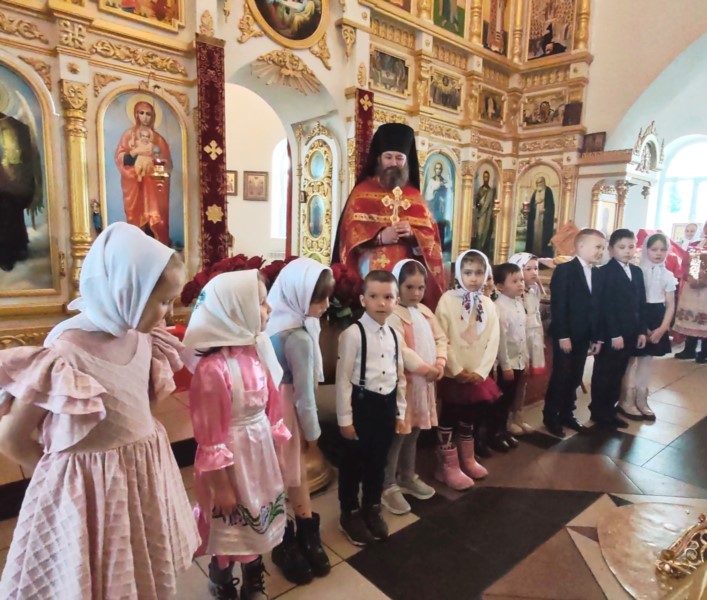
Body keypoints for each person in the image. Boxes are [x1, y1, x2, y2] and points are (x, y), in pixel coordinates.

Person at [0, 222, 199, 599]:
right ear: (126, 290)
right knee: (95, 578)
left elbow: (142, 407)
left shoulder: (142, 338)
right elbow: (11, 437)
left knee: (141, 567)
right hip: (91, 494)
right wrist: (66, 474)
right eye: (162, 302)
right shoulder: (65, 353)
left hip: (142, 478)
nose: (170, 313)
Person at [184, 270, 289, 600]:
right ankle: (221, 575)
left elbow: (273, 406)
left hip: (259, 453)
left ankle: (253, 574)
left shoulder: (257, 353)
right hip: (231, 461)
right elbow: (210, 436)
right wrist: (221, 485)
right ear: (235, 311)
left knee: (256, 512)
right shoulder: (212, 369)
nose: (269, 309)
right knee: (229, 518)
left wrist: (278, 452)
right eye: (261, 303)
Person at [266, 258, 334, 584]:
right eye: (319, 299)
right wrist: (313, 433)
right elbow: (305, 395)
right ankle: (288, 538)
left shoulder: (273, 323)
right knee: (291, 473)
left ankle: (296, 531)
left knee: (280, 474)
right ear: (299, 296)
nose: (326, 305)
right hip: (288, 413)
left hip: (267, 409)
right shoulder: (299, 338)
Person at [332, 123, 445, 309]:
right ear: (379, 158)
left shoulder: (415, 197)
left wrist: (413, 235)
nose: (393, 163)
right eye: (388, 157)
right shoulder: (361, 193)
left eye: (399, 158)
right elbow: (347, 238)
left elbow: (432, 242)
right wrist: (379, 238)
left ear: (407, 160)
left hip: (406, 284)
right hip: (368, 276)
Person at [336, 270, 407, 546]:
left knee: (378, 460)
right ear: (362, 299)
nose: (381, 303)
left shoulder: (395, 335)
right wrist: (345, 419)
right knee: (353, 462)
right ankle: (349, 512)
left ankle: (372, 506)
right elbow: (343, 379)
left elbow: (399, 375)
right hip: (361, 404)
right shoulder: (352, 334)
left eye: (388, 297)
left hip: (386, 405)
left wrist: (400, 412)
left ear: (396, 300)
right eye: (374, 296)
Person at [383, 260, 447, 515]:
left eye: (421, 287)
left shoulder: (425, 312)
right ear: (397, 286)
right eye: (409, 287)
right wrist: (424, 368)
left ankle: (407, 475)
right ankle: (387, 484)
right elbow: (401, 349)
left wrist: (440, 362)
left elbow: (440, 338)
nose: (416, 293)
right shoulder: (393, 315)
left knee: (415, 432)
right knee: (399, 434)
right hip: (405, 387)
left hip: (425, 385)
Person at [435, 250, 500, 489]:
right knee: (449, 416)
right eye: (468, 272)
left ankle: (467, 459)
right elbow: (441, 336)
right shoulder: (447, 300)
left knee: (470, 417)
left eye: (479, 273)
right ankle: (446, 464)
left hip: (476, 374)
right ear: (459, 274)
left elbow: (493, 339)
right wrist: (456, 369)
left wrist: (481, 371)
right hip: (454, 374)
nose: (474, 278)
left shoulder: (488, 304)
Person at [543, 228, 606, 438]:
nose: (601, 252)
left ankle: (567, 413)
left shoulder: (598, 273)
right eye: (597, 247)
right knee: (561, 375)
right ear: (581, 246)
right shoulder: (565, 270)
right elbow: (559, 304)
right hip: (567, 334)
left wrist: (597, 337)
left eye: (603, 248)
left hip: (585, 335)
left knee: (576, 375)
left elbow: (597, 307)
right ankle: (551, 416)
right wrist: (563, 335)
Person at [590, 229, 647, 428]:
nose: (627, 251)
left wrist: (642, 330)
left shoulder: (637, 272)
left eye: (631, 246)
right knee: (604, 373)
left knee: (618, 373)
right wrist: (614, 333)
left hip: (631, 331)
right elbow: (606, 306)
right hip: (611, 333)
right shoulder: (604, 272)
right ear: (611, 250)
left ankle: (610, 409)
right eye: (622, 247)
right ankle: (598, 411)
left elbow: (641, 303)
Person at [619, 233, 676, 420]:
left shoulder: (668, 275)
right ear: (646, 250)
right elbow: (633, 302)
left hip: (657, 317)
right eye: (654, 249)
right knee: (630, 360)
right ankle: (626, 399)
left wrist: (663, 328)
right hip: (637, 316)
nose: (658, 253)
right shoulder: (637, 272)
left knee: (646, 362)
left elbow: (670, 304)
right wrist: (643, 328)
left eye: (663, 250)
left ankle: (642, 399)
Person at [115, 99, 172, 246]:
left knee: (154, 217)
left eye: (148, 114)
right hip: (134, 184)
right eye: (142, 113)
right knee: (135, 216)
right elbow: (121, 158)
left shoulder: (158, 140)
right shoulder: (129, 136)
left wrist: (154, 163)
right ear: (136, 115)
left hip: (153, 188)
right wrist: (135, 153)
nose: (145, 117)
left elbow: (166, 164)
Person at [491, 262, 528, 453]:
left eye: (521, 280)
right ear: (499, 286)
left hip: (518, 361)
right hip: (506, 364)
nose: (520, 284)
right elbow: (501, 341)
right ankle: (494, 434)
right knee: (500, 401)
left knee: (510, 399)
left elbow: (522, 335)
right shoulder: (499, 308)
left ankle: (504, 430)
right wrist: (505, 365)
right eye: (514, 281)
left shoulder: (519, 305)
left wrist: (525, 358)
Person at [508, 252, 545, 434]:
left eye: (536, 268)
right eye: (528, 269)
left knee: (523, 382)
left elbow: (536, 315)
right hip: (517, 342)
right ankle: (508, 419)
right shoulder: (513, 295)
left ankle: (519, 416)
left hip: (532, 339)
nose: (533, 273)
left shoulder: (534, 290)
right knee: (514, 382)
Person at [0, 112, 35, 272]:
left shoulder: (12, 127)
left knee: (9, 212)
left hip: (9, 192)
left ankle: (11, 253)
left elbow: (19, 161)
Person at [674, 220, 707, 363]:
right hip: (693, 287)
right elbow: (686, 263)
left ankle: (704, 352)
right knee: (691, 317)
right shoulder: (695, 245)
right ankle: (689, 349)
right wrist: (692, 277)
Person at [525, 176, 556, 258]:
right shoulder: (535, 192)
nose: (539, 184)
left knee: (543, 236)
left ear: (543, 182)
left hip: (544, 219)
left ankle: (542, 254)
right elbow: (532, 205)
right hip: (535, 217)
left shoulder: (548, 191)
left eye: (540, 182)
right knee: (534, 235)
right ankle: (533, 252)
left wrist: (545, 211)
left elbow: (551, 206)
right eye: (537, 183)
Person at [472, 169, 497, 258]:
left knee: (486, 234)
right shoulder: (480, 190)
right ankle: (478, 251)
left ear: (489, 178)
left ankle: (484, 252)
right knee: (479, 233)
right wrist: (479, 204)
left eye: (487, 177)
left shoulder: (491, 191)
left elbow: (492, 203)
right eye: (484, 177)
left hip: (488, 216)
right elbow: (476, 203)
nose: (486, 179)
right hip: (480, 215)